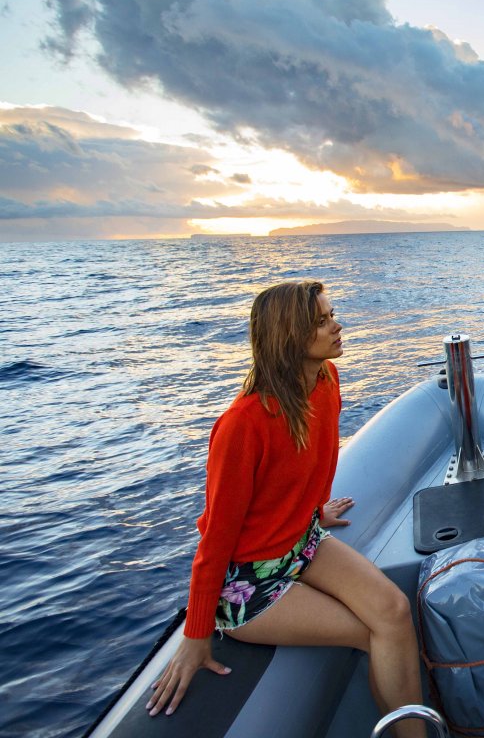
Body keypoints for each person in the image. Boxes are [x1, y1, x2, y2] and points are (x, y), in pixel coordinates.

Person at [146, 281, 424, 738]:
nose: (336, 325)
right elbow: (215, 540)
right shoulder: (242, 425)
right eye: (321, 320)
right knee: (367, 630)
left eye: (332, 313)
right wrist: (195, 638)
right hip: (246, 582)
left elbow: (309, 461)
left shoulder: (326, 381)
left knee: (393, 611)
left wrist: (313, 510)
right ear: (289, 336)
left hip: (301, 541)